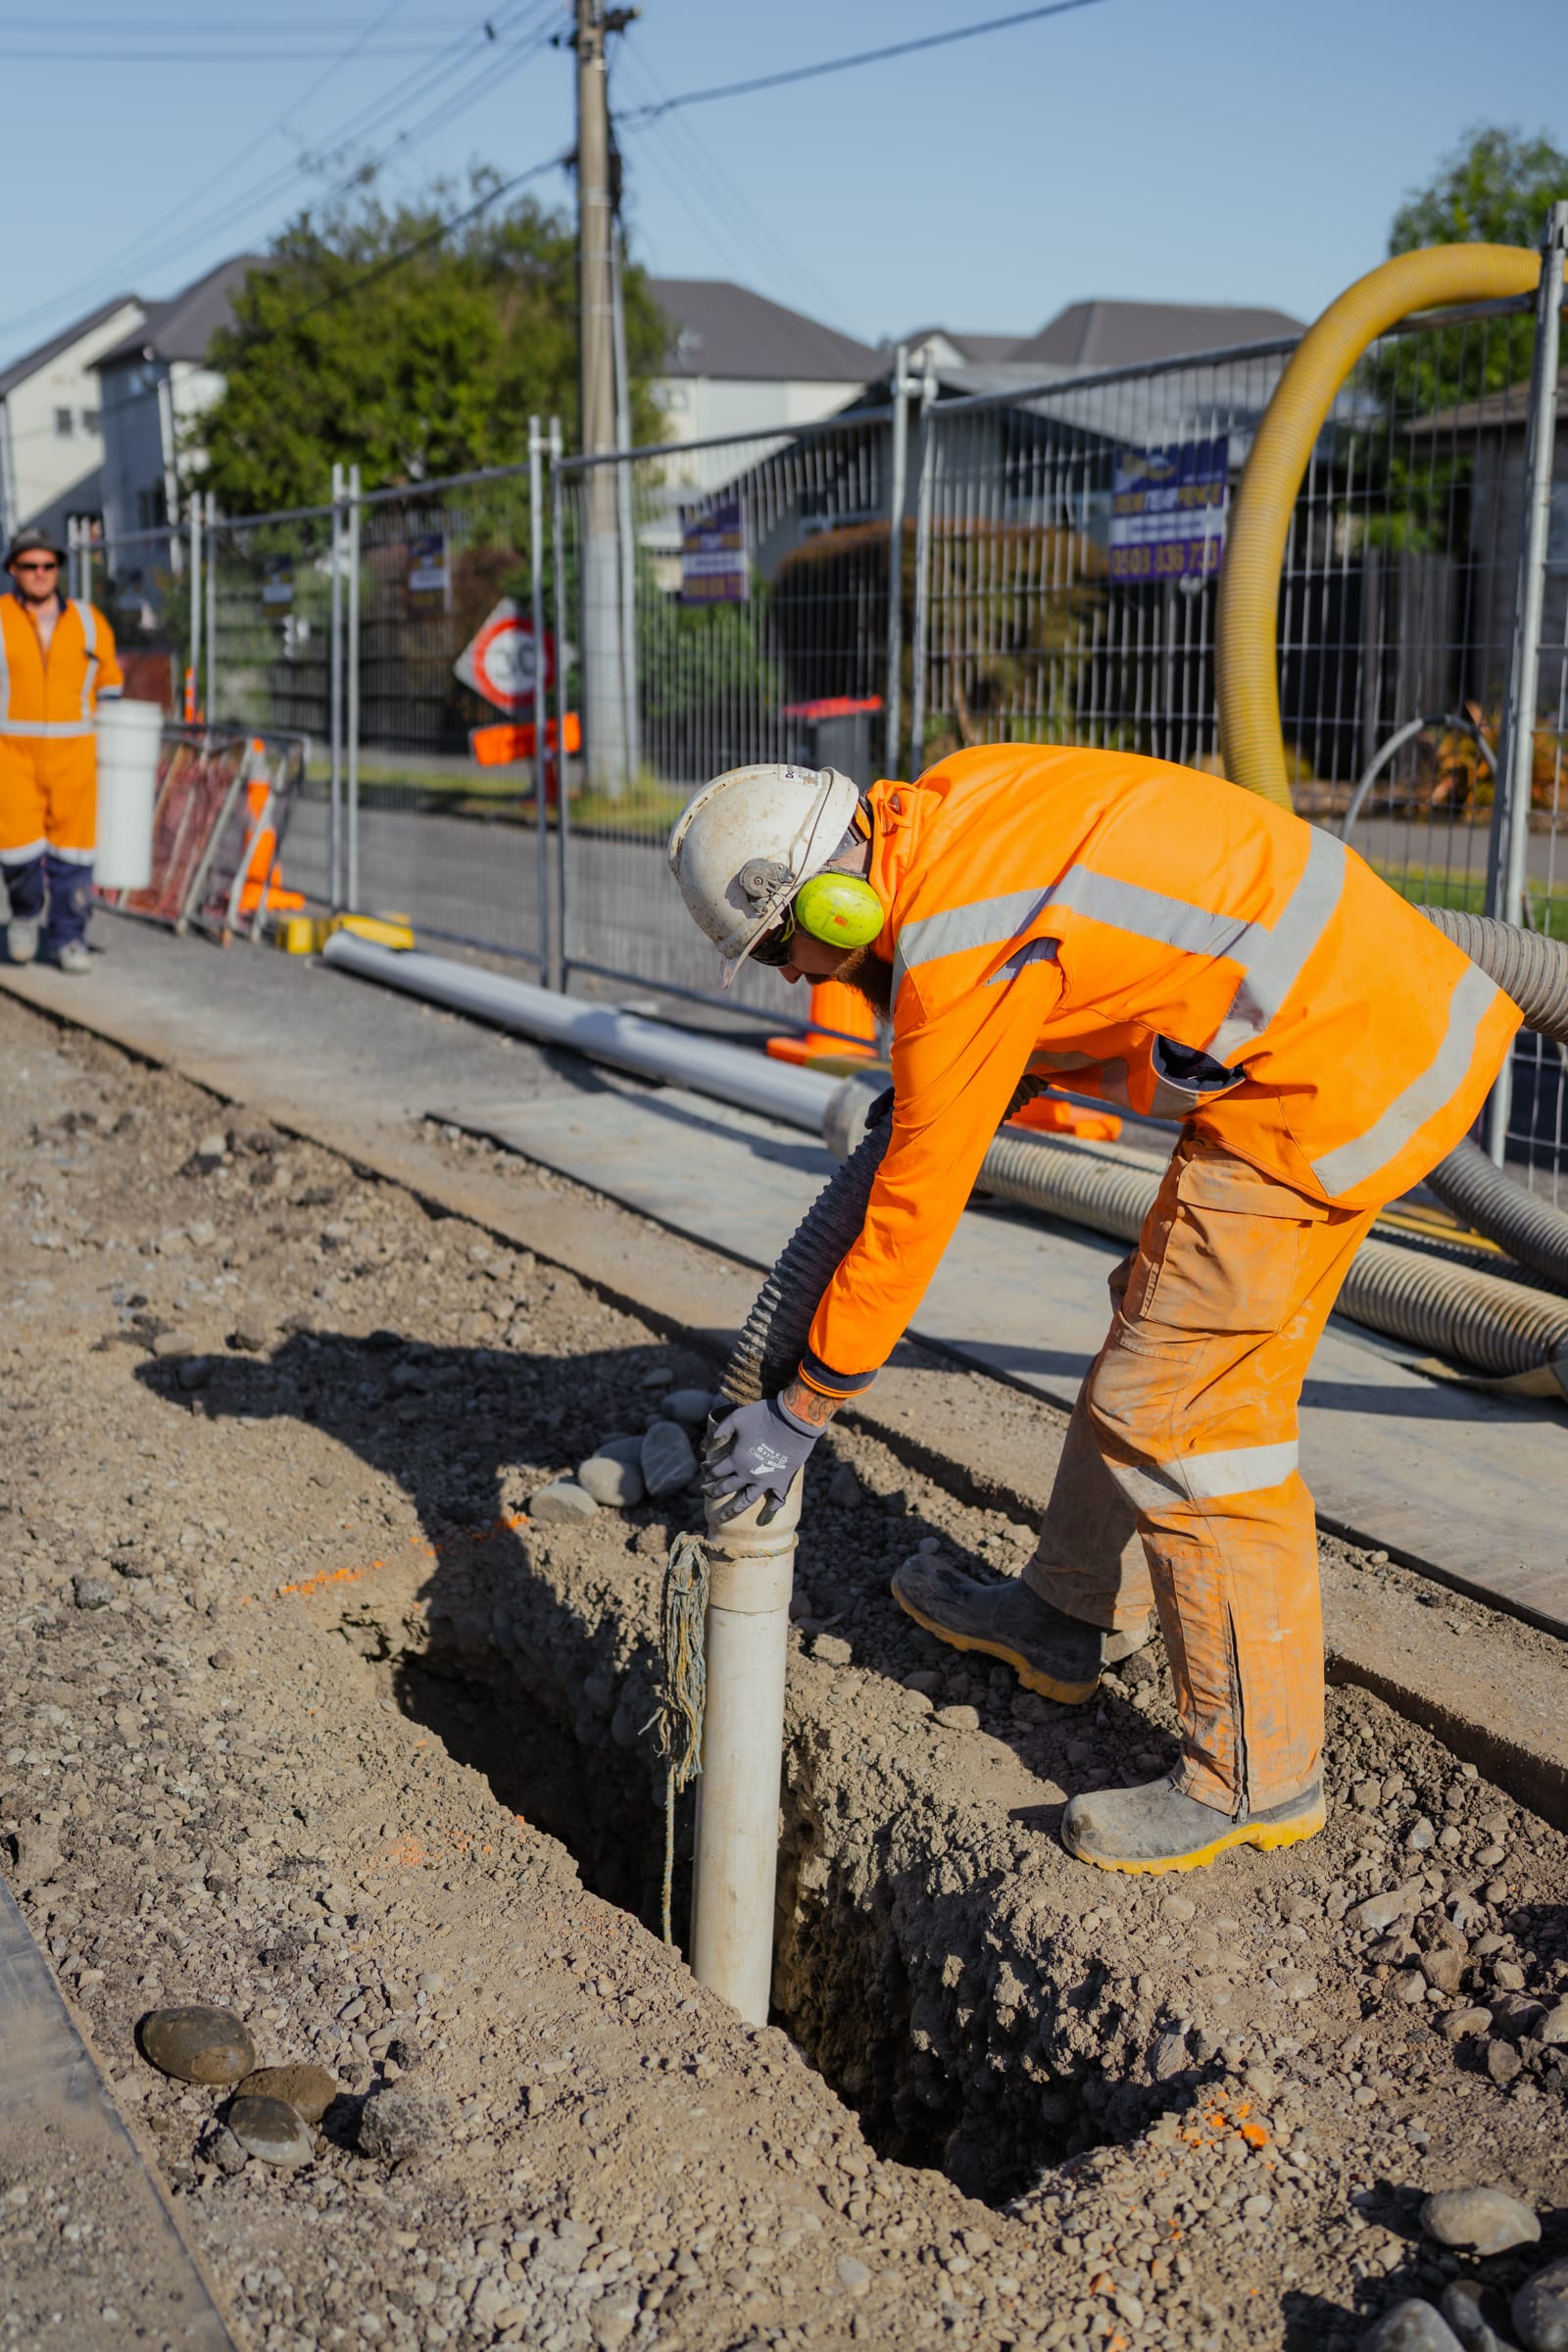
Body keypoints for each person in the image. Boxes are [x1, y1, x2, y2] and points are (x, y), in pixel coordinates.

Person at [668, 750, 1519, 1877]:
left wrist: (806, 1405)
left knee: (1183, 1413)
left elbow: (911, 1214)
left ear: (834, 903)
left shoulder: (956, 951)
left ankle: (1257, 1775)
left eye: (780, 949)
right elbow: (1097, 934)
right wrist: (982, 1070)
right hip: (1340, 1028)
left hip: (1334, 1067)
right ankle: (1065, 1613)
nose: (788, 975)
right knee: (1153, 1329)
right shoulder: (952, 809)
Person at [1, 528, 123, 972]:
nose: (40, 573)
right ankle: (25, 913)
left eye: (48, 565)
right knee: (17, 852)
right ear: (13, 570)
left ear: (58, 569)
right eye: (30, 565)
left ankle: (68, 938)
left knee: (74, 856)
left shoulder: (89, 622)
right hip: (12, 755)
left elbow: (110, 684)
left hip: (74, 755)